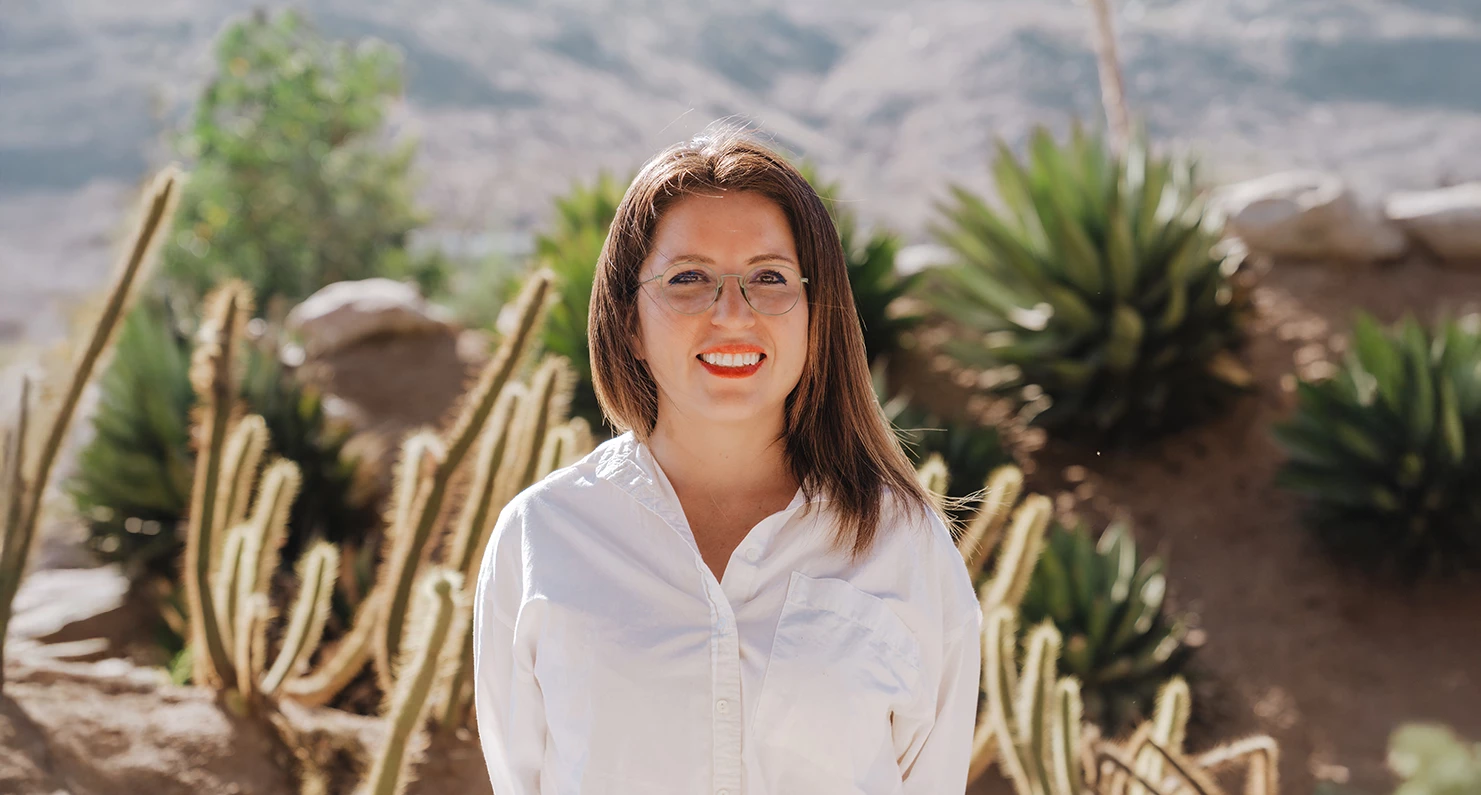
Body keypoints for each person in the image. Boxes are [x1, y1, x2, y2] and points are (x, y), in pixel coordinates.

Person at [472, 123, 983, 795]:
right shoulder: (541, 537)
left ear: (813, 311)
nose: (733, 314)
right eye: (689, 279)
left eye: (768, 278)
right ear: (630, 323)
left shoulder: (903, 543)